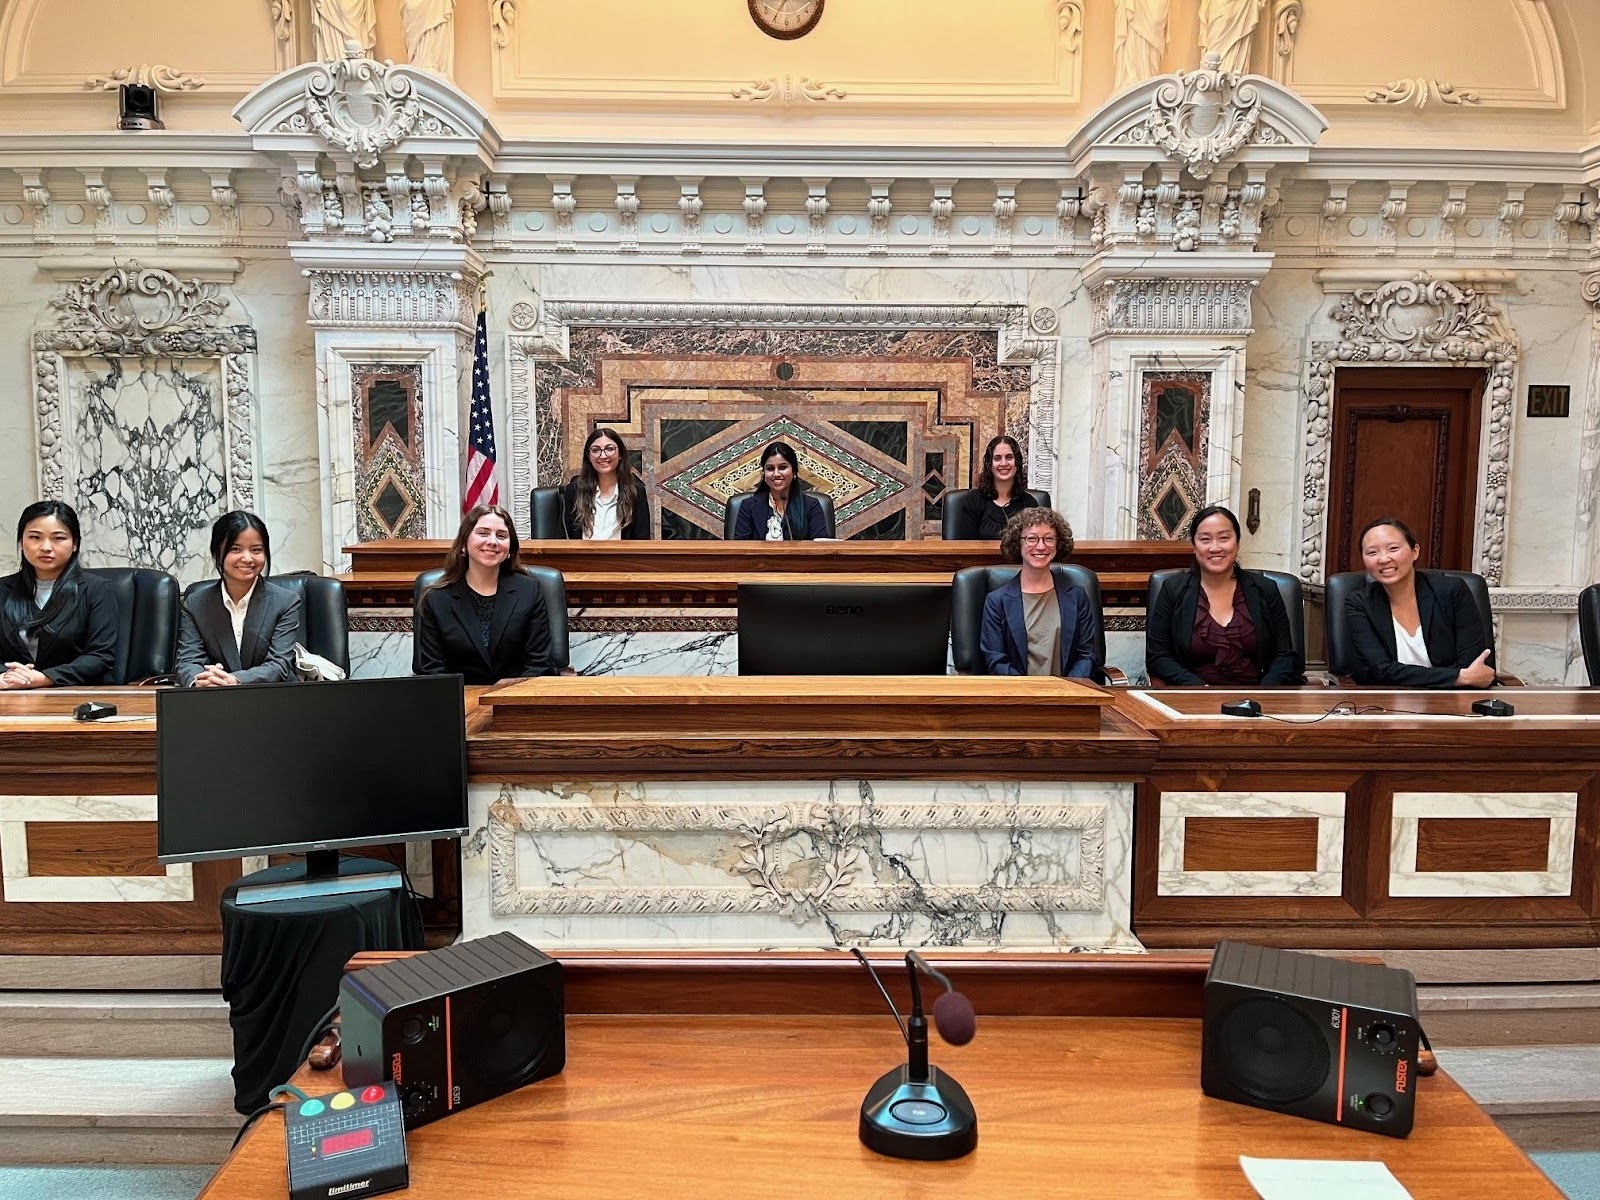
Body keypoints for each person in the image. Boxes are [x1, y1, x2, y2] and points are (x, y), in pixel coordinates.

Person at [1145, 505, 1304, 686]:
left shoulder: (1265, 590)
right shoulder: (1173, 590)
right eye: (1205, 539)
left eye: (1224, 538)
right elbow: (1158, 656)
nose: (1215, 548)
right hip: (1192, 699)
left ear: (1237, 543)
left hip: (1259, 703)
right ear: (1194, 546)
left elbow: (1285, 655)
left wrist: (1265, 692)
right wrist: (1198, 688)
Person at [1344, 516, 1496, 689]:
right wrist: (1459, 677)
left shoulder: (1452, 591)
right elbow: (1378, 670)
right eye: (1372, 552)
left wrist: (1462, 677)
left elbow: (1474, 666)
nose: (1383, 559)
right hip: (1386, 702)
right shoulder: (1359, 604)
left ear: (1415, 551)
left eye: (1393, 548)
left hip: (1455, 700)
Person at [414, 504, 557, 684]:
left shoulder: (529, 591)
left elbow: (539, 664)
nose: (492, 541)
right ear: (464, 543)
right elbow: (432, 671)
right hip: (458, 704)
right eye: (483, 533)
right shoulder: (436, 599)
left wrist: (507, 694)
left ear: (510, 548)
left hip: (515, 702)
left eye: (501, 535)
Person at [175, 512, 301, 688]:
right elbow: (188, 661)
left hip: (272, 701)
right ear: (217, 552)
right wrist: (200, 681)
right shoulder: (195, 604)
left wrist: (234, 681)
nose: (247, 558)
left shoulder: (286, 602)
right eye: (236, 549)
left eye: (256, 549)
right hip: (213, 702)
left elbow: (279, 665)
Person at [0, 500, 117, 689]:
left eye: (58, 538)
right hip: (11, 694)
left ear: (75, 544)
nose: (46, 547)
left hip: (76, 695)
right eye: (35, 537)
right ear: (22, 542)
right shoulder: (3, 590)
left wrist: (45, 678)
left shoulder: (97, 590)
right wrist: (6, 676)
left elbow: (101, 656)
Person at [980, 508, 1101, 679]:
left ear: (1058, 544)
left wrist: (1068, 690)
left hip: (1069, 695)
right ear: (1017, 543)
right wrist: (1031, 694)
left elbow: (1086, 655)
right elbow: (996, 661)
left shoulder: (1077, 596)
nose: (1041, 546)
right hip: (1019, 698)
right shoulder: (996, 601)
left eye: (1049, 539)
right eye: (1031, 539)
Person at [559, 427, 651, 540]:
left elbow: (642, 540)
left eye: (609, 449)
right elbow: (564, 538)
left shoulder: (636, 490)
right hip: (582, 556)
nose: (603, 456)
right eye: (595, 450)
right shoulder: (575, 489)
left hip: (623, 557)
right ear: (588, 456)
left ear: (620, 454)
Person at [731, 441, 828, 541]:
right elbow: (740, 549)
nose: (776, 474)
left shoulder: (811, 506)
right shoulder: (748, 506)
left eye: (782, 467)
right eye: (770, 469)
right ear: (764, 473)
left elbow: (821, 547)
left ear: (794, 471)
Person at [948, 435, 1039, 540]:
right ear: (989, 464)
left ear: (1017, 463)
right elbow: (966, 549)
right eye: (997, 458)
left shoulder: (1029, 503)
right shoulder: (972, 501)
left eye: (1009, 457)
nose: (1004, 463)